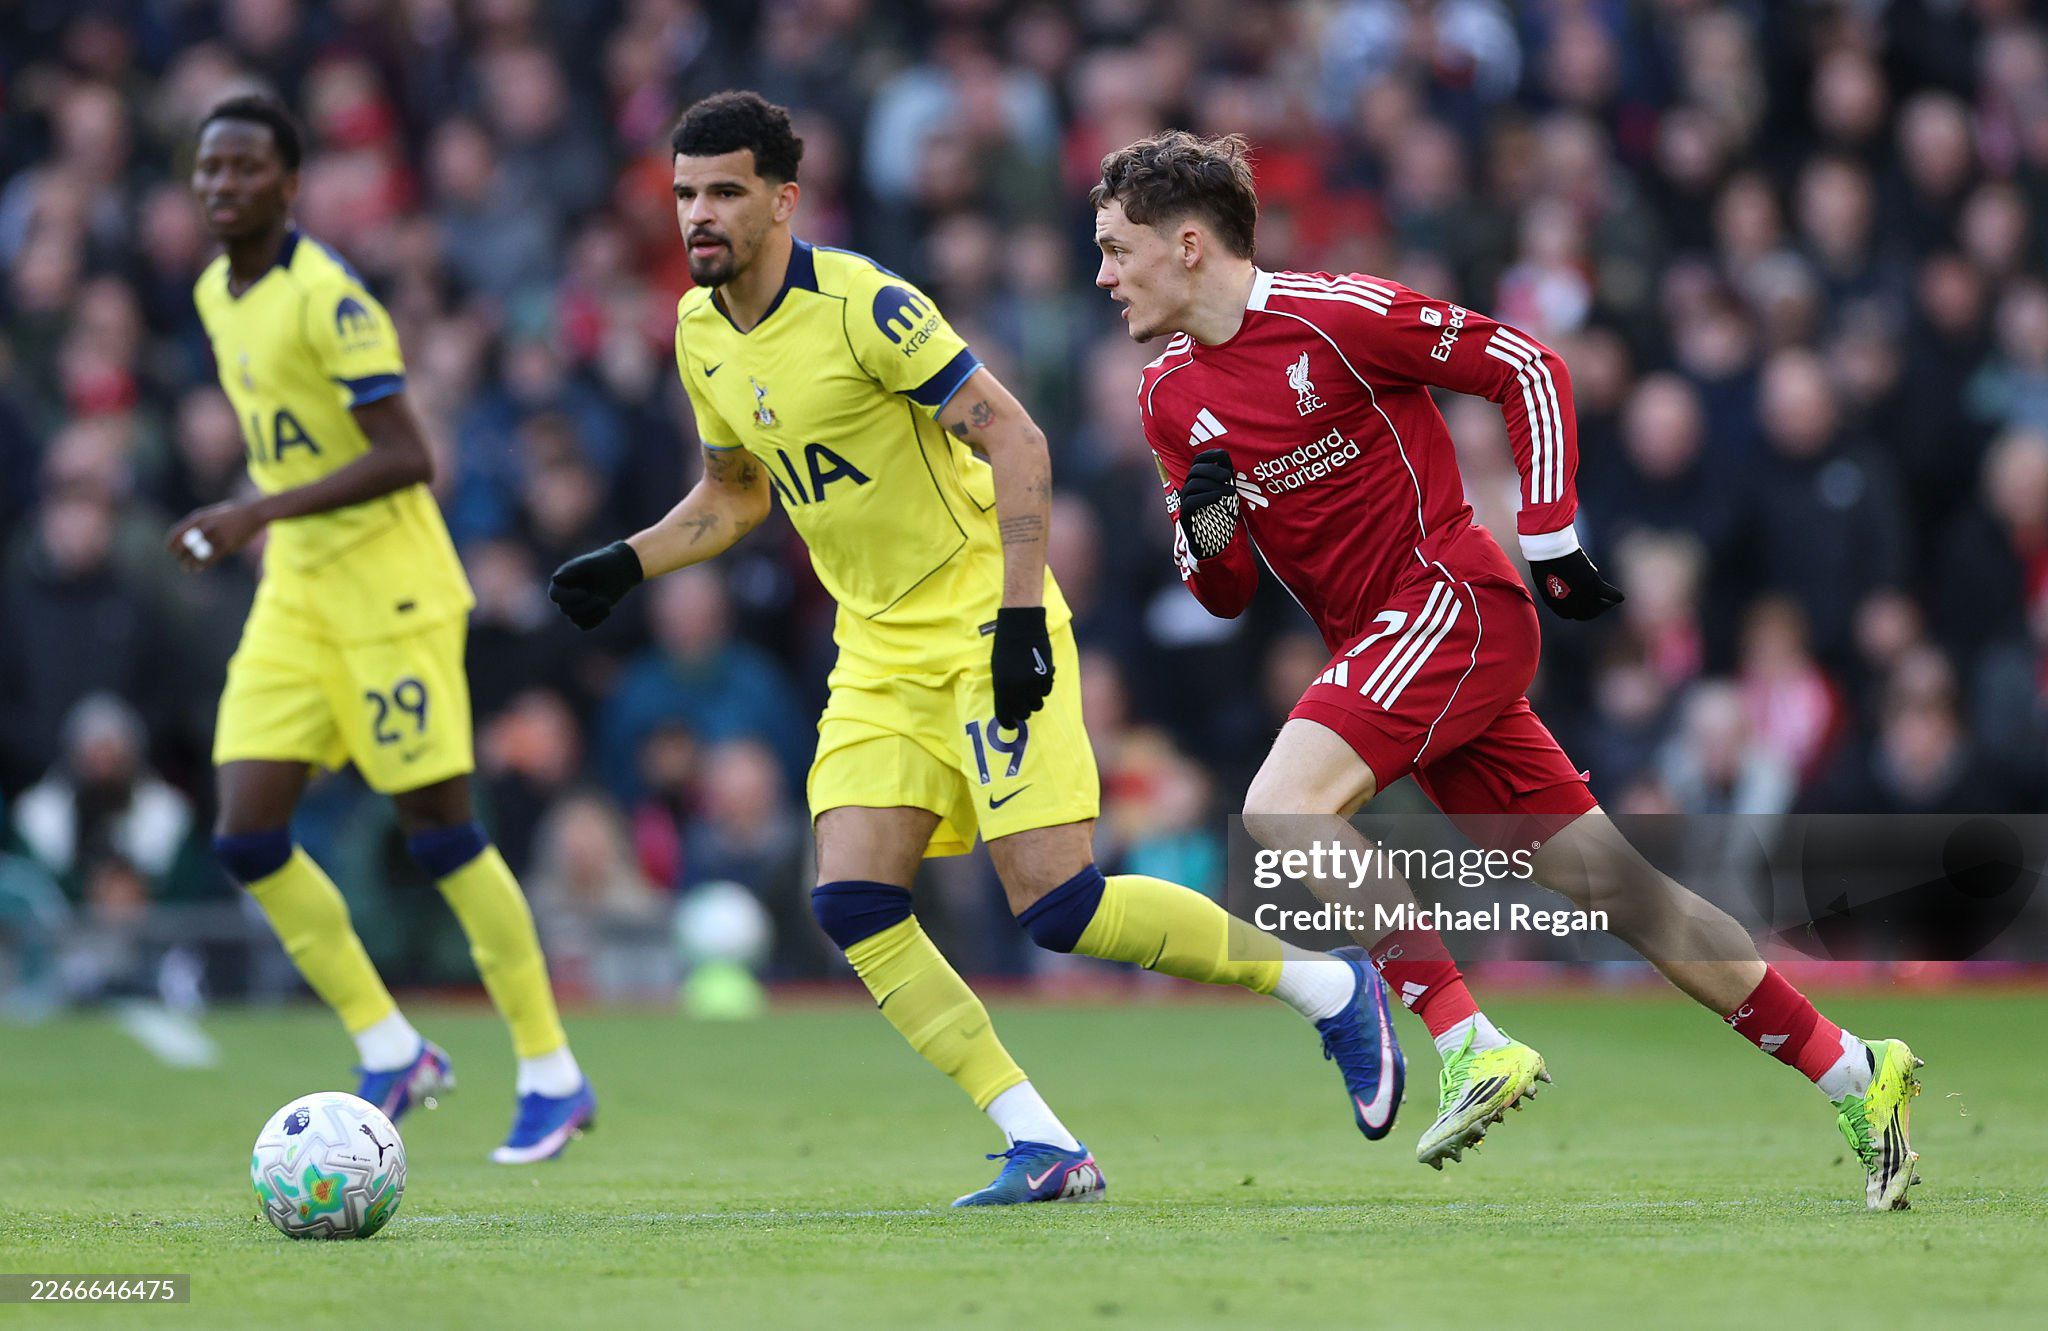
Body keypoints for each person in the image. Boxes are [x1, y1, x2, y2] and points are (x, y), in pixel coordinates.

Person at [549, 92, 1402, 1207]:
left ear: (783, 200)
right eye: (683, 194)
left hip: (980, 617)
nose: (698, 214)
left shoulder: (867, 307)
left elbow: (1019, 439)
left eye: (723, 191)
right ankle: (1040, 1141)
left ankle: (1328, 986)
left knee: (1058, 906)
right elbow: (735, 492)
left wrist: (1018, 615)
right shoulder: (697, 332)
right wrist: (630, 561)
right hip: (875, 648)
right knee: (853, 902)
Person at [1090, 129, 1923, 1211]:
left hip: (1453, 601)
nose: (1103, 276)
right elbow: (1225, 593)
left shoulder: (1336, 316)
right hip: (1392, 650)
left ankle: (1466, 1040)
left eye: (1116, 249)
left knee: (1281, 805)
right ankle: (1858, 1070)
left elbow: (1526, 365)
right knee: (1625, 893)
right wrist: (1207, 525)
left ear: (1189, 245)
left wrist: (1550, 539)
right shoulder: (1167, 396)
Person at [167, 95, 593, 1163]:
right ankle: (390, 1045)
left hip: (392, 597)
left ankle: (551, 1069)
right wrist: (267, 521)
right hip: (297, 596)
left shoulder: (331, 300)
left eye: (245, 167)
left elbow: (409, 455)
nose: (222, 185)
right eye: (209, 168)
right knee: (246, 835)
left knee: (441, 832)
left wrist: (255, 511)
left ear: (289, 184)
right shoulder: (215, 292)